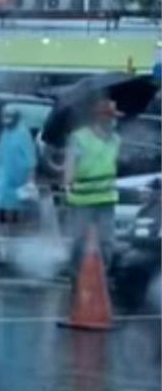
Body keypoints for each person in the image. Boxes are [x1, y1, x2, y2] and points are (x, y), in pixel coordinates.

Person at [64, 97, 120, 273]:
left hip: (106, 198)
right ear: (100, 118)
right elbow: (70, 163)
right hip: (82, 198)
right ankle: (75, 272)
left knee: (106, 241)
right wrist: (67, 181)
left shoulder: (116, 140)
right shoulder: (80, 138)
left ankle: (102, 275)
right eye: (110, 117)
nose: (114, 121)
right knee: (79, 239)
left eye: (114, 117)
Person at [0, 107, 38, 232]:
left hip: (19, 180)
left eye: (9, 117)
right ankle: (3, 233)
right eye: (5, 117)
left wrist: (30, 179)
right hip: (4, 179)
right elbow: (0, 153)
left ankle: (17, 234)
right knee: (2, 207)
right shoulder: (5, 133)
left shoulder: (23, 134)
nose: (6, 121)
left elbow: (31, 158)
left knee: (18, 209)